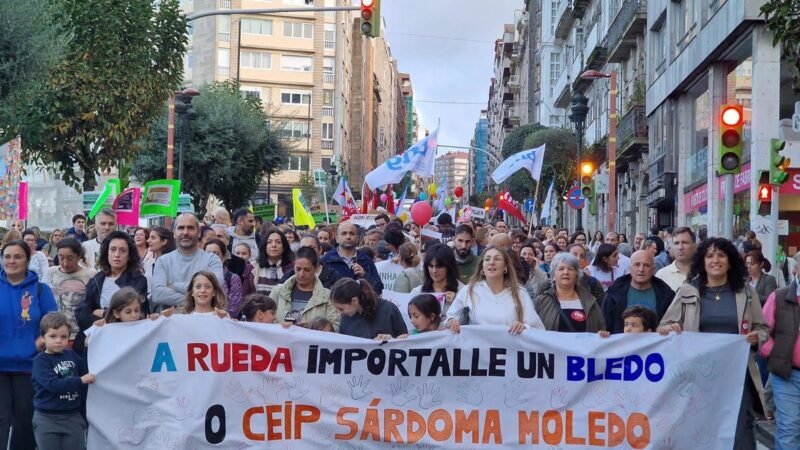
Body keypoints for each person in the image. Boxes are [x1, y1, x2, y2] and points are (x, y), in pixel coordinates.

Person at [658, 237, 768, 449]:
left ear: (730, 260)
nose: (715, 260)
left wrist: (756, 338)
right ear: (702, 261)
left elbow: (763, 329)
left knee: (740, 432)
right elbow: (664, 326)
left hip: (737, 377)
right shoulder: (688, 291)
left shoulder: (745, 292)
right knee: (700, 430)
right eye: (710, 256)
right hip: (697, 378)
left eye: (721, 255)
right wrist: (670, 329)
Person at [0, 239, 58, 450]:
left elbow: (54, 325)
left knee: (25, 424)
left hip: (30, 368)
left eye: (17, 257)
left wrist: (39, 343)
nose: (11, 261)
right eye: (7, 256)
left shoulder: (41, 290)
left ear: (27, 260)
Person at [75, 231, 148, 353]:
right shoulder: (96, 280)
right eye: (113, 249)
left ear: (129, 255)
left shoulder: (138, 281)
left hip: (125, 344)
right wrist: (109, 317)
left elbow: (136, 315)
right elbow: (82, 314)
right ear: (106, 253)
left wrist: (104, 314)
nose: (117, 254)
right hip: (96, 343)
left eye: (122, 251)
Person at [31, 312, 95, 450]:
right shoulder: (40, 361)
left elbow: (85, 370)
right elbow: (53, 385)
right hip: (46, 419)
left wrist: (86, 348)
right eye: (53, 336)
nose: (59, 340)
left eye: (63, 336)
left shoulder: (71, 354)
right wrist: (81, 380)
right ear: (43, 337)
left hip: (73, 417)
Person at [446, 246, 545, 334]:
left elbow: (537, 328)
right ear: (482, 267)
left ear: (505, 267)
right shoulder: (469, 290)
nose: (492, 262)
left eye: (497, 259)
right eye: (487, 259)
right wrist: (451, 321)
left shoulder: (519, 293)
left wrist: (524, 327)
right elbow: (451, 316)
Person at [760, 252, 800, 449]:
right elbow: (762, 332)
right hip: (788, 375)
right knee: (789, 427)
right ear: (796, 270)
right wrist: (777, 351)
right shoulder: (779, 297)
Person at [151, 214, 224, 310]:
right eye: (181, 228)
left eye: (190, 228)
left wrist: (173, 285)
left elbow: (215, 287)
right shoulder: (163, 261)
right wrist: (198, 298)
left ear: (198, 232)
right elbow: (158, 294)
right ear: (174, 232)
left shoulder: (212, 260)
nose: (185, 232)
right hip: (171, 322)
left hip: (203, 321)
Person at [602, 250, 674, 334]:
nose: (641, 269)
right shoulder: (613, 293)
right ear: (630, 268)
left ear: (653, 269)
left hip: (656, 345)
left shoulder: (666, 294)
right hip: (621, 345)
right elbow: (605, 326)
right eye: (637, 264)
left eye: (646, 265)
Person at [533, 252, 605, 333]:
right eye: (561, 269)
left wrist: (602, 334)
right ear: (553, 276)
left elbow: (601, 328)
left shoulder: (590, 302)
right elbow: (531, 330)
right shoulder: (541, 302)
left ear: (576, 276)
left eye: (570, 269)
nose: (566, 272)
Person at [271, 247, 340, 330]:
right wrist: (281, 326)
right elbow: (265, 321)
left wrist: (313, 327)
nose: (302, 274)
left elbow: (336, 327)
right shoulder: (278, 291)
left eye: (307, 270)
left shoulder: (327, 296)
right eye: (298, 269)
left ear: (315, 269)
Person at [44, 238, 96, 344]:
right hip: (55, 334)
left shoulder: (90, 274)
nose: (65, 263)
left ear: (78, 257)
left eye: (70, 258)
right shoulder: (51, 272)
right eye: (61, 257)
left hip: (81, 334)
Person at [330, 278, 407, 339]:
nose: (339, 312)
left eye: (341, 309)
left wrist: (391, 340)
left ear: (354, 301)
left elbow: (405, 340)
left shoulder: (389, 309)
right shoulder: (346, 319)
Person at [322, 222, 383, 293]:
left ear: (357, 238)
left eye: (351, 233)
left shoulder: (366, 260)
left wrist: (365, 275)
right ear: (337, 238)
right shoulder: (326, 260)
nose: (348, 237)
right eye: (344, 233)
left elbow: (378, 289)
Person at [411, 244, 463, 315]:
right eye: (431, 266)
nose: (434, 271)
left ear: (449, 267)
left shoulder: (463, 292)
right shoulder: (417, 292)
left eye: (439, 266)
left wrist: (456, 303)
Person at [204, 239, 243, 319]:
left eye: (215, 254)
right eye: (207, 254)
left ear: (224, 257)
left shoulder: (233, 278)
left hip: (224, 322)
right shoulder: (197, 277)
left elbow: (234, 309)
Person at [655, 226, 696, 291]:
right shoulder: (661, 276)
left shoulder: (704, 274)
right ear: (671, 247)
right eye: (676, 243)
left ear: (694, 246)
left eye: (685, 242)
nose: (680, 247)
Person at [255, 228, 294, 296]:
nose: (273, 245)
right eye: (269, 242)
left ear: (284, 247)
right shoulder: (253, 267)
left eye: (278, 242)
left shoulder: (292, 269)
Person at [142, 226, 176, 296]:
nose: (148, 241)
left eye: (153, 238)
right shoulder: (148, 263)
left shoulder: (174, 264)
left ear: (164, 241)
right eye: (149, 237)